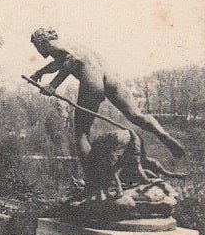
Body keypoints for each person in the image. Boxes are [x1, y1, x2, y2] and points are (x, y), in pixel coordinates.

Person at [29, 28, 185, 160]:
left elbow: (70, 59)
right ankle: (163, 135)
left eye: (37, 46)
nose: (38, 50)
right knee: (136, 115)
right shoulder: (71, 45)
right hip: (111, 78)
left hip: (92, 80)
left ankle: (96, 178)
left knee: (81, 133)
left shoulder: (52, 45)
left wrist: (52, 85)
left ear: (42, 41)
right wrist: (40, 72)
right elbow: (60, 61)